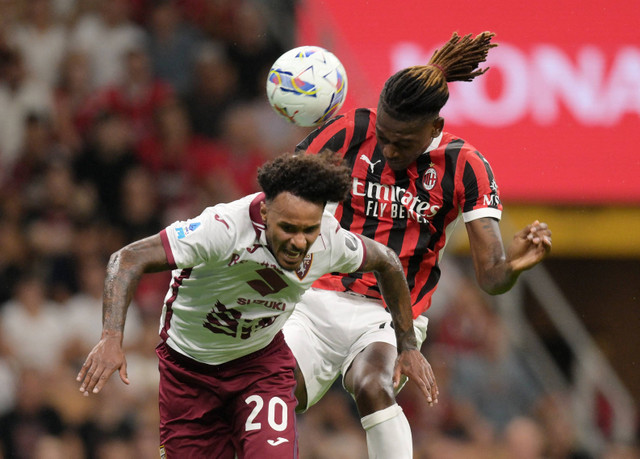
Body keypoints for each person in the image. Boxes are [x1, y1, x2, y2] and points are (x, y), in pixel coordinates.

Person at [282, 31, 553, 458]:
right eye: (383, 135)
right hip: (317, 298)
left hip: (391, 315)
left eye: (401, 142)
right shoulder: (353, 128)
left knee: (373, 387)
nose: (387, 149)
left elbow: (493, 278)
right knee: (275, 393)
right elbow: (282, 189)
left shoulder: (466, 166)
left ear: (435, 127)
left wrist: (517, 262)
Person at [75, 152, 437, 458]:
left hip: (259, 367)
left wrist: (407, 345)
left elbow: (388, 261)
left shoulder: (330, 239)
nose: (299, 242)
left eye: (308, 230)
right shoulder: (221, 228)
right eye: (288, 228)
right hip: (188, 373)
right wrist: (111, 337)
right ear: (264, 212)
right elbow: (127, 259)